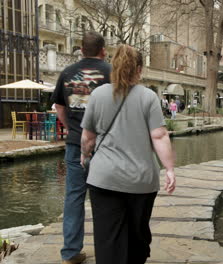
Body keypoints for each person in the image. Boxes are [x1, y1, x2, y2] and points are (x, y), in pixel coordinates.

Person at [80, 44, 176, 264]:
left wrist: (84, 157)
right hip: (141, 181)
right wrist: (169, 169)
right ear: (140, 69)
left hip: (104, 179)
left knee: (107, 237)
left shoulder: (98, 95)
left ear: (113, 67)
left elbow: (88, 138)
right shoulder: (149, 97)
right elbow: (159, 136)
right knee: (137, 235)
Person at [51, 31, 111, 264]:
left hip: (75, 143)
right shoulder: (110, 72)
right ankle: (106, 251)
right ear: (103, 50)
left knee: (74, 197)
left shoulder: (66, 73)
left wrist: (72, 129)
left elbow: (59, 107)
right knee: (105, 198)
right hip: (105, 145)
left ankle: (71, 252)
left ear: (81, 50)